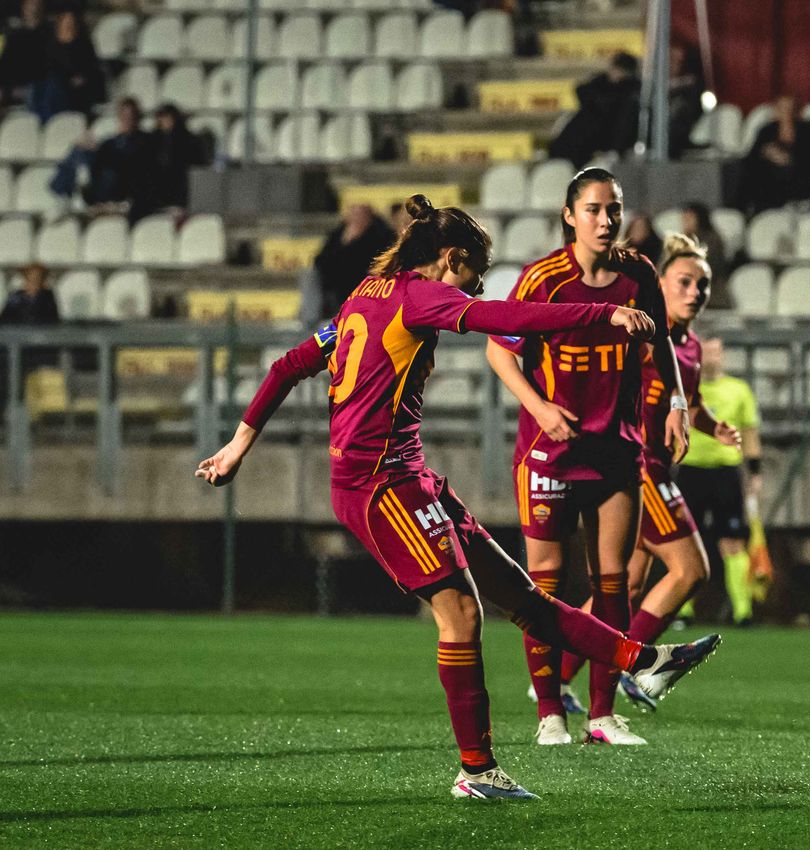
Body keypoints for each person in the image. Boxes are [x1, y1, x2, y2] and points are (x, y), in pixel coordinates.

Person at [195, 194, 719, 802]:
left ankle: (643, 661)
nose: (472, 288)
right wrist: (602, 314)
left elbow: (290, 365)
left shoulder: (368, 293)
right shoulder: (421, 295)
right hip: (378, 485)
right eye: (472, 274)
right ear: (450, 259)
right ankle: (477, 771)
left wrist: (238, 445)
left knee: (521, 594)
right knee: (462, 613)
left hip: (408, 478)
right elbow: (510, 320)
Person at [485, 168, 691, 747]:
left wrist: (675, 401)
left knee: (613, 584)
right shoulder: (543, 279)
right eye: (594, 209)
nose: (606, 220)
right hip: (548, 452)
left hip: (616, 449)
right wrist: (539, 406)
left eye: (614, 209)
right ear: (569, 216)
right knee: (543, 589)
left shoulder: (638, 274)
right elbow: (500, 355)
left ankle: (601, 717)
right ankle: (550, 714)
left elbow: (663, 343)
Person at [554, 233, 739, 712]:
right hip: (637, 468)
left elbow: (688, 404)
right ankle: (636, 668)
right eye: (685, 281)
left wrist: (712, 426)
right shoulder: (642, 334)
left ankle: (556, 677)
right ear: (660, 282)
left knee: (623, 588)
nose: (695, 291)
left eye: (703, 283)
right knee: (691, 568)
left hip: (659, 469)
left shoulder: (692, 347)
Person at [677, 337, 762, 626]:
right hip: (690, 470)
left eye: (716, 350)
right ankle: (683, 610)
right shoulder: (685, 387)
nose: (712, 356)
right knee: (686, 543)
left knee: (732, 541)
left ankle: (742, 612)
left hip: (726, 472)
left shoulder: (739, 390)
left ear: (723, 355)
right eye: (707, 351)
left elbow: (749, 433)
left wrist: (755, 471)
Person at [51, 98, 150, 212]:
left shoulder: (144, 139)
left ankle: (79, 185)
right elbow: (100, 159)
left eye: (131, 115)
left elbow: (132, 161)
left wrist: (101, 153)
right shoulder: (111, 140)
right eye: (124, 115)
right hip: (102, 179)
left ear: (137, 117)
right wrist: (91, 148)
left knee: (105, 167)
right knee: (79, 149)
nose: (127, 119)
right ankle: (65, 194)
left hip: (120, 182)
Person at [548, 52, 641, 167]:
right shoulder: (600, 84)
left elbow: (622, 125)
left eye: (618, 70)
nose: (613, 73)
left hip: (604, 138)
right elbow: (582, 92)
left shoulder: (630, 94)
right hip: (585, 135)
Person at [313, 204, 396, 320]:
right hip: (335, 285)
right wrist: (344, 243)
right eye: (354, 215)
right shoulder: (338, 235)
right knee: (309, 275)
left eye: (361, 215)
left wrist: (354, 243)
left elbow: (378, 261)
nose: (357, 219)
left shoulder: (382, 235)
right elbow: (320, 261)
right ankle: (312, 321)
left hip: (366, 283)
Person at [741, 95, 810, 213]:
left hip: (797, 179)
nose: (786, 113)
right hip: (768, 181)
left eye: (790, 109)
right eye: (782, 109)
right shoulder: (766, 131)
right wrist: (767, 153)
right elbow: (751, 157)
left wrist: (787, 159)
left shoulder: (807, 131)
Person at [29, 8, 103, 122]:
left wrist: (82, 77)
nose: (69, 25)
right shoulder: (52, 45)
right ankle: (41, 120)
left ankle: (50, 120)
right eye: (66, 22)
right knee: (38, 85)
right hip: (56, 81)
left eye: (72, 22)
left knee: (52, 87)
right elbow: (48, 66)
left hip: (75, 84)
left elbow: (91, 67)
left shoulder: (84, 44)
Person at [140, 103, 208, 213]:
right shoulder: (151, 140)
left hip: (181, 190)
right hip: (157, 192)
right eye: (163, 117)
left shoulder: (189, 140)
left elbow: (197, 165)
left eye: (169, 117)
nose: (167, 121)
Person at [0, 0, 47, 108]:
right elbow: (6, 63)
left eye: (36, 5)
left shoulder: (48, 35)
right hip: (13, 86)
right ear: (23, 8)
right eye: (29, 6)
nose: (33, 9)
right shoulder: (15, 36)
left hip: (37, 86)